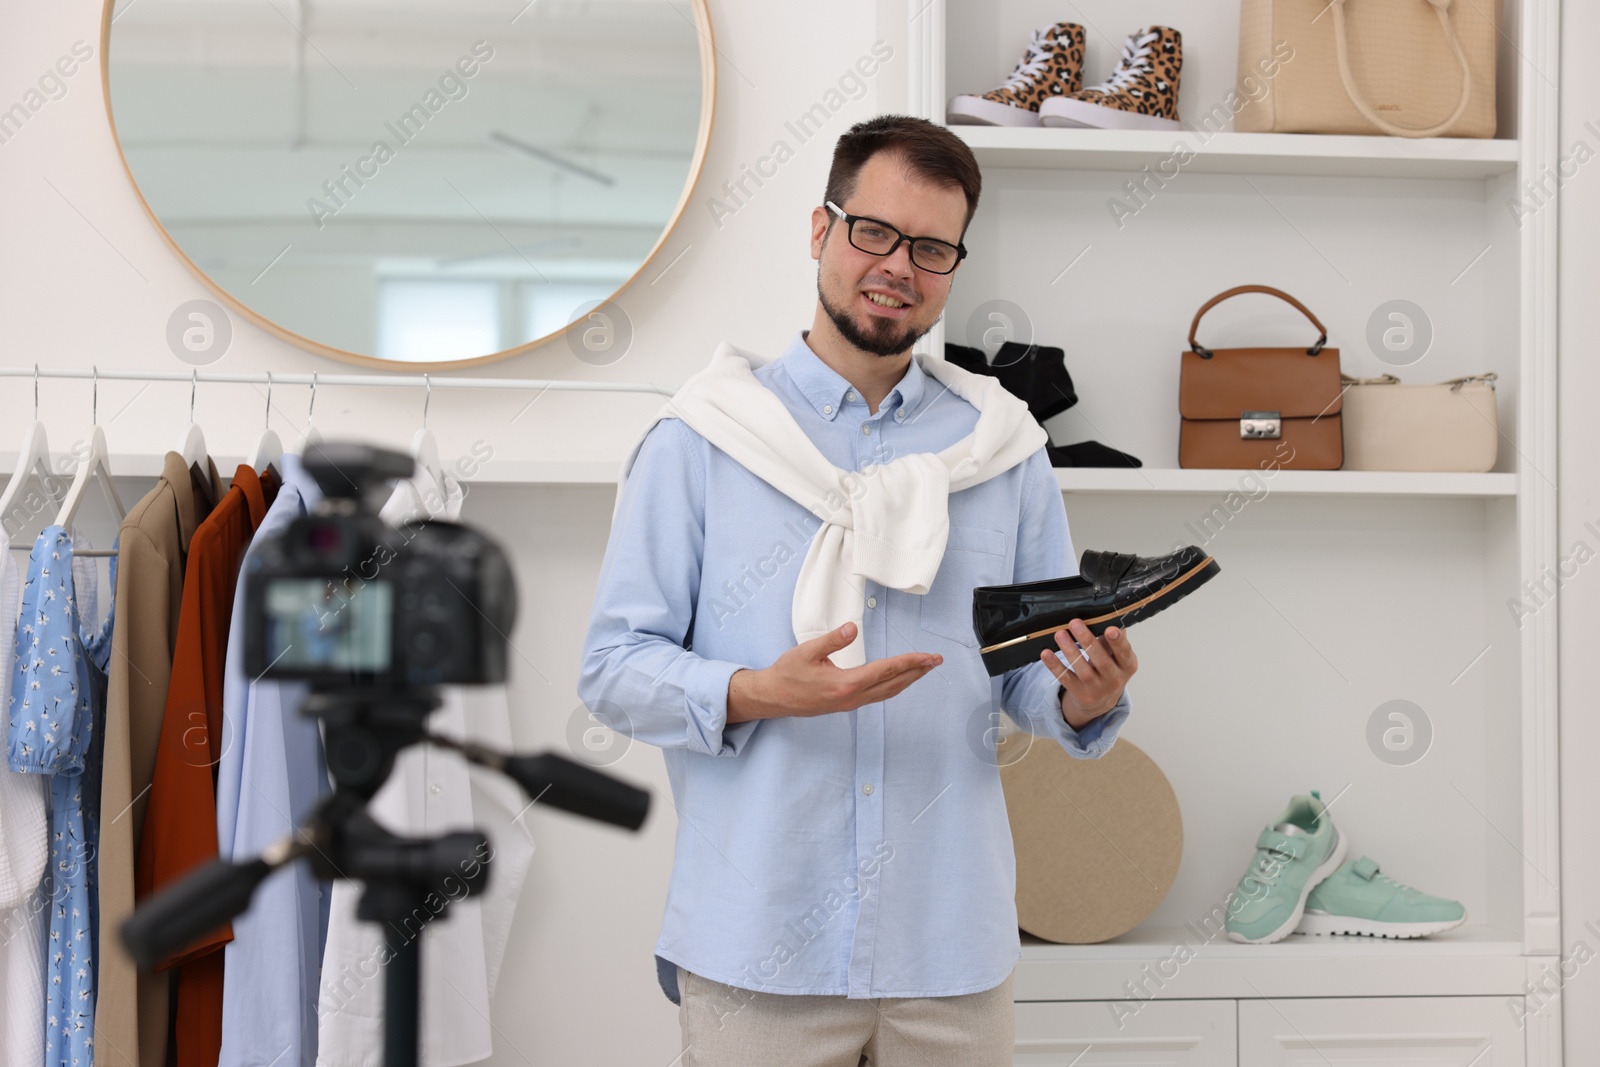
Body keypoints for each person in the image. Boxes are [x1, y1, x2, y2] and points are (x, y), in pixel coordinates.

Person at [578, 113, 1139, 1067]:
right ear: (820, 231)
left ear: (953, 266)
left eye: (930, 247)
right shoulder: (704, 438)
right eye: (873, 231)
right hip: (757, 946)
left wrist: (1087, 695)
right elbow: (612, 671)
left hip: (948, 951)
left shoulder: (1002, 451)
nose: (897, 266)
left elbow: (1020, 677)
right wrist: (758, 691)